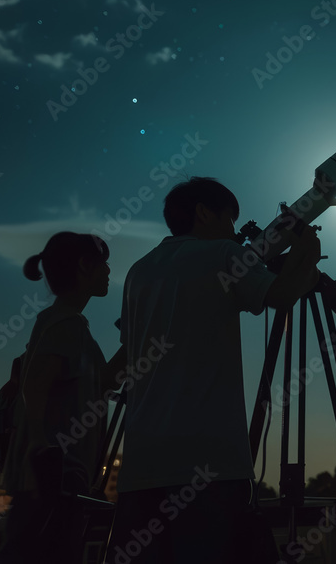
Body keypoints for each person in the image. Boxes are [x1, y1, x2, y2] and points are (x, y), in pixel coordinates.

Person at [108, 176, 321, 563]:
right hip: (209, 467)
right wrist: (307, 248)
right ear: (204, 213)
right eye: (230, 220)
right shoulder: (223, 253)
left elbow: (125, 354)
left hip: (141, 468)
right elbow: (282, 295)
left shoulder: (139, 271)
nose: (236, 232)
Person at [0, 232, 124, 564]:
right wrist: (41, 456)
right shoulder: (65, 326)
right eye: (104, 264)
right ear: (84, 266)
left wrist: (138, 339)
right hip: (50, 482)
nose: (110, 270)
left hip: (58, 480)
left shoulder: (67, 325)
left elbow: (104, 382)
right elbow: (35, 389)